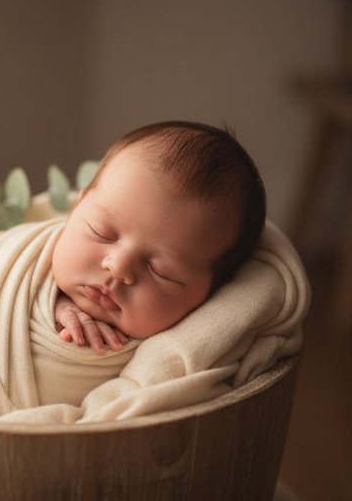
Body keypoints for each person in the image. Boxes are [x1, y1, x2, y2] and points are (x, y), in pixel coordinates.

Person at [51, 120, 266, 355]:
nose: (119, 267)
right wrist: (53, 303)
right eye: (101, 232)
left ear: (211, 294)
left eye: (161, 271)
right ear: (78, 205)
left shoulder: (180, 355)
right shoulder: (30, 256)